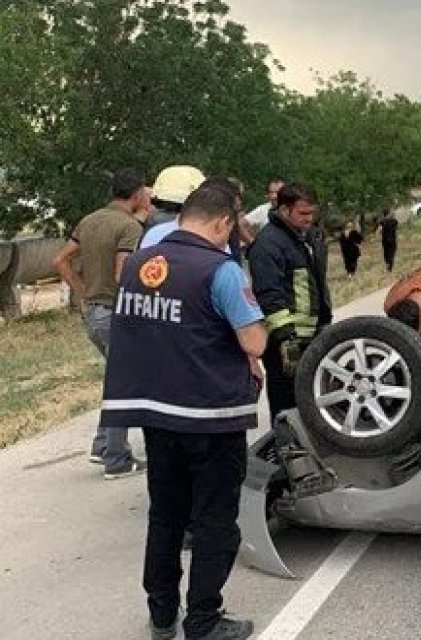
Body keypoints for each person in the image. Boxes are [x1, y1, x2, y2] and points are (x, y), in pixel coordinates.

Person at [99, 181, 263, 640]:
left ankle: (162, 615)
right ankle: (204, 622)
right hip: (209, 415)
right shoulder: (221, 269)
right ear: (223, 222)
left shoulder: (136, 265)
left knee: (166, 516)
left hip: (155, 413)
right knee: (213, 521)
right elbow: (254, 341)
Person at [52, 168, 153, 478]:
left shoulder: (90, 220)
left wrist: (82, 293)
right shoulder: (129, 227)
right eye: (146, 192)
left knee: (115, 379)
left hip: (94, 313)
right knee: (124, 385)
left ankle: (103, 445)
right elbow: (125, 275)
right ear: (137, 195)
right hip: (117, 313)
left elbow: (60, 260)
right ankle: (117, 459)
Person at [247, 182, 332, 420]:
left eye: (312, 213)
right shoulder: (268, 244)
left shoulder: (306, 237)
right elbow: (268, 295)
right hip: (285, 343)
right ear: (284, 210)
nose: (309, 218)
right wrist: (286, 339)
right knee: (287, 405)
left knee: (313, 401)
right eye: (303, 213)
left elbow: (315, 284)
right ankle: (286, 449)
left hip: (312, 335)